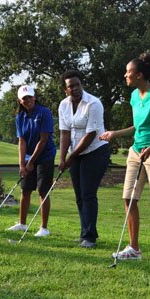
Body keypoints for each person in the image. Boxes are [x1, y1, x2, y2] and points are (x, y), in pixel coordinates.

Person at [100, 52, 150, 264]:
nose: (125, 75)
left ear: (140, 75)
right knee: (128, 198)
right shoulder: (135, 96)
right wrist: (114, 134)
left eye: (129, 72)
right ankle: (134, 248)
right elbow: (138, 126)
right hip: (136, 152)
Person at [58, 71, 110, 248]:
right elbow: (64, 132)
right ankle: (85, 233)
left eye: (77, 84)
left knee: (88, 193)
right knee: (79, 195)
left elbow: (90, 134)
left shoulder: (94, 103)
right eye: (70, 86)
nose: (74, 88)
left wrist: (71, 157)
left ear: (81, 85)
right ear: (65, 90)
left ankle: (90, 237)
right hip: (76, 153)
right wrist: (62, 157)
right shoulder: (63, 105)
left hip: (95, 151)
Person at [7, 85, 57, 237]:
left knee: (43, 190)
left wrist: (31, 162)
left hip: (45, 156)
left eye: (30, 97)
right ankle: (22, 224)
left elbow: (43, 139)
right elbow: (21, 141)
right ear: (20, 101)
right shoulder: (20, 117)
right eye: (24, 98)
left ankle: (44, 228)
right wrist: (22, 164)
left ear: (34, 97)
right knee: (25, 189)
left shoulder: (44, 112)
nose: (27, 100)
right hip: (29, 157)